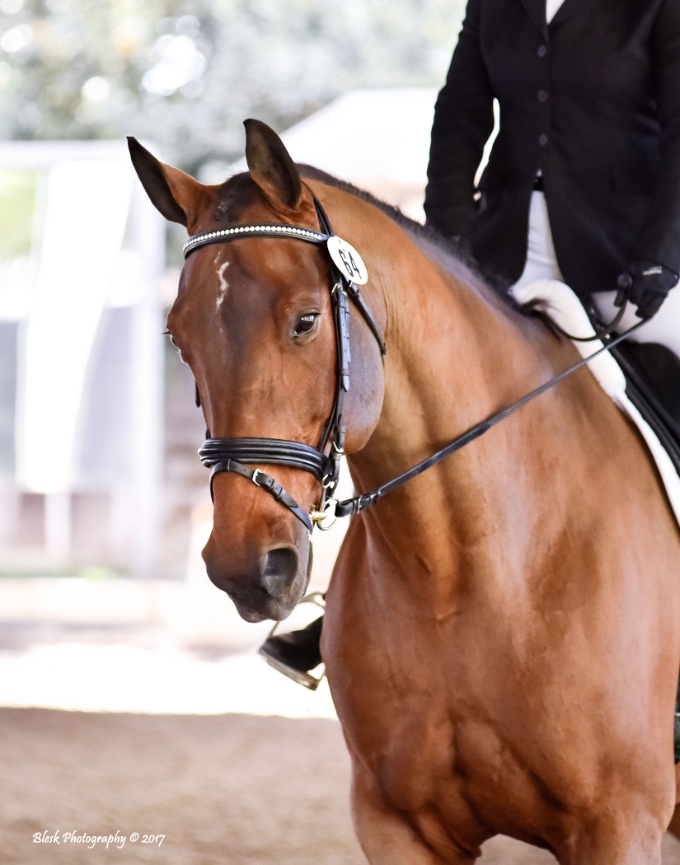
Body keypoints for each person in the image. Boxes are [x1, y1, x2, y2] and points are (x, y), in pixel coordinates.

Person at [260, 0, 680, 680]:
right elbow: (460, 115)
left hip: (627, 255)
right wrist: (447, 242)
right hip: (502, 249)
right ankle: (341, 600)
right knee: (417, 407)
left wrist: (661, 254)